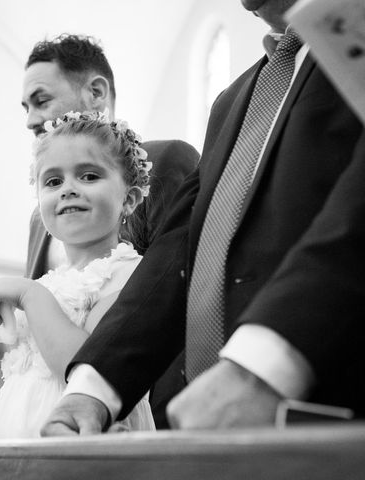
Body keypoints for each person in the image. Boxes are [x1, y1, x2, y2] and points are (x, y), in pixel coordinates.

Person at [40, 0, 365, 436]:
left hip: (330, 402)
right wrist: (93, 389)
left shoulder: (350, 36)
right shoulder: (232, 101)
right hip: (206, 417)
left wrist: (263, 366)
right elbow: (180, 248)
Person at [0, 34, 199, 432]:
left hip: (121, 413)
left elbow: (165, 294)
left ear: (96, 92)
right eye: (26, 107)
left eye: (41, 100)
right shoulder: (40, 220)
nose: (30, 118)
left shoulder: (165, 163)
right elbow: (28, 360)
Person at [0, 111, 155, 439]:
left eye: (89, 176)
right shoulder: (48, 283)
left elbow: (89, 371)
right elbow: (23, 389)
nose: (68, 189)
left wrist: (29, 295)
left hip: (80, 449)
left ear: (130, 199)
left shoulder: (129, 274)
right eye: (53, 181)